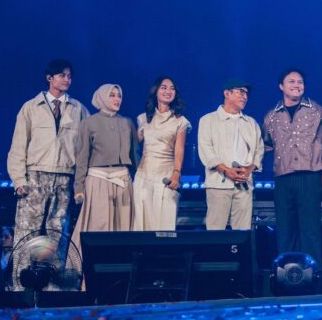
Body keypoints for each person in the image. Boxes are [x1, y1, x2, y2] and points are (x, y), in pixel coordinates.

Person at [7, 59, 89, 244]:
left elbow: (86, 148)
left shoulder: (79, 109)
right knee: (27, 233)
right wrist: (19, 180)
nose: (67, 79)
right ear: (49, 78)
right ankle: (22, 265)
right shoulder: (30, 108)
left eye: (69, 76)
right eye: (62, 75)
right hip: (35, 177)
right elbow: (18, 147)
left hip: (64, 179)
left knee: (58, 234)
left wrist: (80, 182)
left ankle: (56, 265)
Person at [262, 68, 322, 261]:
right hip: (283, 178)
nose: (297, 85)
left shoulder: (317, 110)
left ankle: (313, 273)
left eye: (300, 82)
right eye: (291, 81)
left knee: (310, 229)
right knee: (285, 229)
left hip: (310, 175)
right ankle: (287, 271)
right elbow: (265, 145)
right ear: (281, 86)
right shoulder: (271, 116)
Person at [72, 84, 137, 245]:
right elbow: (82, 157)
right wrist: (78, 188)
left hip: (123, 180)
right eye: (112, 95)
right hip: (98, 180)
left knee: (123, 226)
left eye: (119, 95)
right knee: (99, 225)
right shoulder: (89, 123)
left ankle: (120, 260)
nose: (117, 99)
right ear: (102, 97)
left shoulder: (127, 123)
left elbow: (135, 155)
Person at [199, 79, 264, 231]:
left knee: (242, 231)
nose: (245, 96)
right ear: (227, 93)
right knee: (215, 230)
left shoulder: (251, 123)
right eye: (241, 92)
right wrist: (226, 170)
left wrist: (249, 169)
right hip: (218, 184)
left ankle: (239, 249)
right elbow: (206, 150)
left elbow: (259, 150)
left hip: (244, 184)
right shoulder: (208, 120)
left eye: (246, 93)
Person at [134, 76, 190, 231]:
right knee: (142, 222)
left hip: (166, 175)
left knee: (164, 222)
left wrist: (176, 173)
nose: (168, 91)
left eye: (172, 89)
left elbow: (179, 150)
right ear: (156, 91)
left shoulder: (180, 120)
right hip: (143, 175)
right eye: (164, 87)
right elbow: (134, 147)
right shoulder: (143, 118)